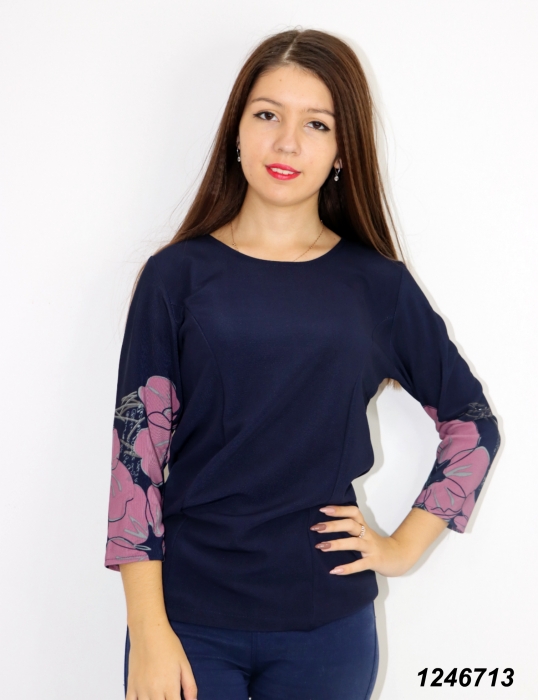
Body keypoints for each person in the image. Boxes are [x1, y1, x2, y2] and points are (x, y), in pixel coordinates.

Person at [104, 28, 501, 700]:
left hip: (328, 625)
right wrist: (147, 631)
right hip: (188, 620)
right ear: (236, 132)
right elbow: (134, 458)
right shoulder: (176, 277)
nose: (287, 143)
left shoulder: (377, 285)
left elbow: (472, 424)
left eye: (317, 124)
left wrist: (403, 546)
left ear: (343, 149)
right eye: (268, 115)